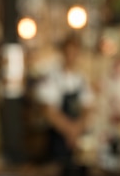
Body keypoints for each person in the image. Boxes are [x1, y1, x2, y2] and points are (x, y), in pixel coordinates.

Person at [35, 34, 94, 163]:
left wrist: (77, 129)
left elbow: (87, 107)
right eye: (69, 52)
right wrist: (69, 131)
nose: (71, 56)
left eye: (75, 53)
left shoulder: (81, 79)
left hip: (77, 139)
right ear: (62, 52)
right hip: (57, 140)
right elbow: (49, 111)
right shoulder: (52, 78)